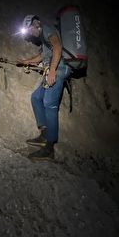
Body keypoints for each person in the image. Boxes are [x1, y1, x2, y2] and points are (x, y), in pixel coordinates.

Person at [17, 14, 72, 160]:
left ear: (35, 23)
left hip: (60, 69)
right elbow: (41, 57)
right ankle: (44, 134)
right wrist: (25, 62)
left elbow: (58, 46)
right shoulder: (43, 39)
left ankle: (50, 147)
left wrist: (53, 70)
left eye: (29, 30)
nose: (30, 33)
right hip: (53, 69)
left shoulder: (47, 28)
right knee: (36, 97)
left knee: (49, 104)